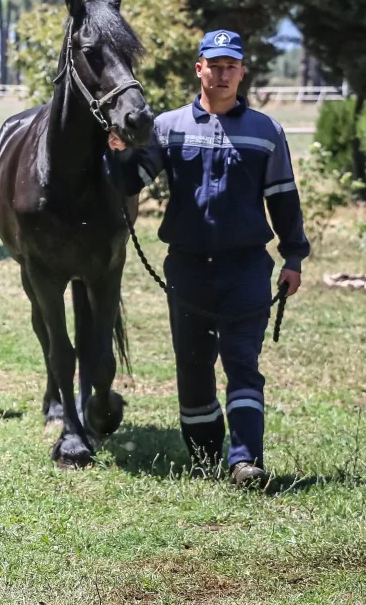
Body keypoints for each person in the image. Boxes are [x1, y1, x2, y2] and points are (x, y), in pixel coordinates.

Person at [109, 30, 310, 489]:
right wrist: (118, 155)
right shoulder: (167, 126)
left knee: (242, 361)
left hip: (246, 269)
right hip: (187, 266)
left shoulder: (266, 131)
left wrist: (293, 256)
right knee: (194, 363)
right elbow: (134, 180)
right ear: (198, 68)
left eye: (230, 66)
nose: (221, 74)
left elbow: (283, 199)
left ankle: (244, 461)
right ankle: (203, 457)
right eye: (213, 65)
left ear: (241, 72)